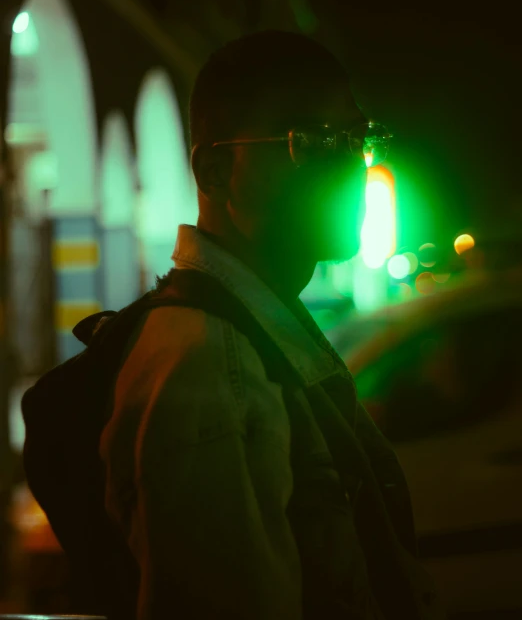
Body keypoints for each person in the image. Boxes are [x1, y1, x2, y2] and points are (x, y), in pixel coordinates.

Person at [100, 31, 446, 619]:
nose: (351, 171)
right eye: (311, 144)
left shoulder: (260, 330)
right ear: (213, 170)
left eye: (357, 140)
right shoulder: (208, 367)